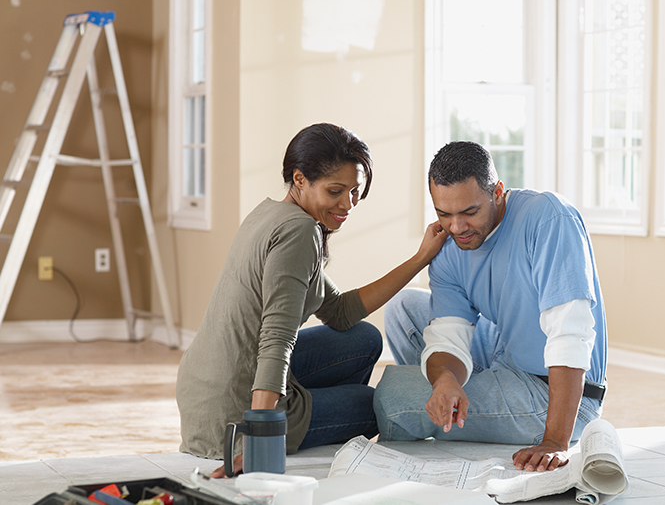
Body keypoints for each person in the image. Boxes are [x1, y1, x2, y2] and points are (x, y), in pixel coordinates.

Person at [175, 123, 446, 477]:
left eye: (354, 192)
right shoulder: (299, 233)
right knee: (372, 404)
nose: (348, 204)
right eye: (336, 191)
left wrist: (419, 258)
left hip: (205, 384)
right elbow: (277, 338)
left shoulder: (272, 212)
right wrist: (259, 441)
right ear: (300, 179)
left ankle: (315, 414)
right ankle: (296, 423)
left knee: (365, 338)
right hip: (232, 410)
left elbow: (340, 311)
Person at [373, 141, 607, 473]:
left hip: (552, 389)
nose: (456, 228)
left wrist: (555, 441)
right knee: (404, 306)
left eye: (469, 213)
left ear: (497, 192)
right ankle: (460, 403)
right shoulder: (450, 244)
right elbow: (447, 336)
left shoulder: (548, 218)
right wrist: (444, 380)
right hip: (505, 352)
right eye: (444, 213)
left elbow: (571, 332)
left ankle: (468, 414)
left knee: (391, 397)